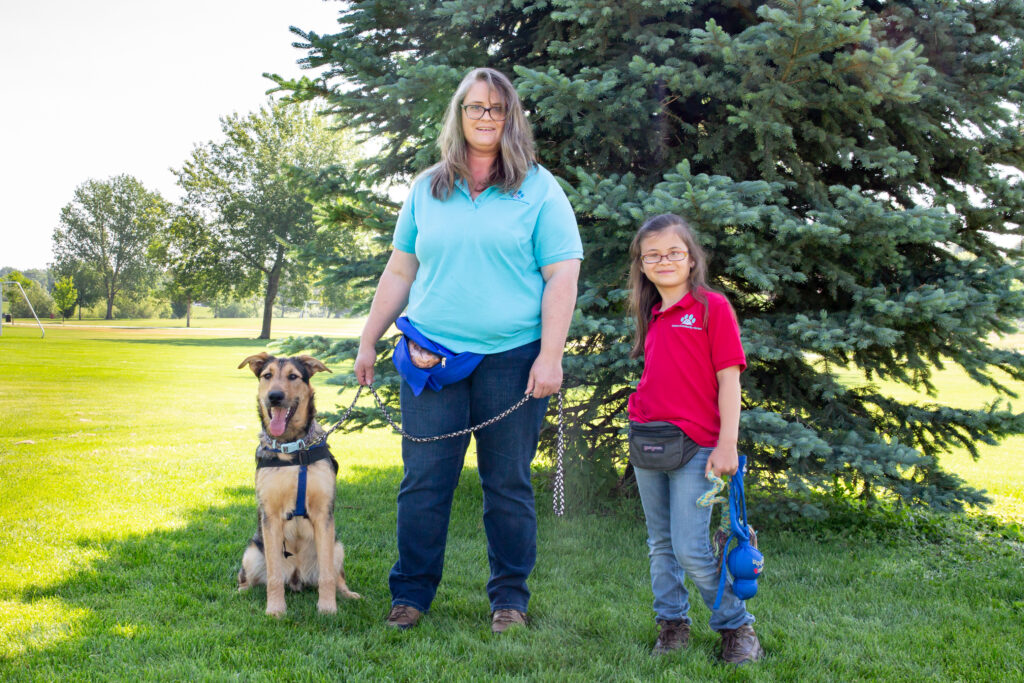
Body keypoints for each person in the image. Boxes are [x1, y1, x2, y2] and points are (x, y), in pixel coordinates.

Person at [353, 67, 583, 634]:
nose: (486, 117)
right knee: (424, 481)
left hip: (513, 360)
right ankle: (410, 596)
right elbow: (401, 268)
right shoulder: (428, 186)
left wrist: (549, 356)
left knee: (507, 484)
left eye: (497, 109)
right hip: (431, 357)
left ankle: (510, 601)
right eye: (475, 107)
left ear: (511, 119)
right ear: (459, 115)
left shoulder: (539, 188)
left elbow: (562, 275)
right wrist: (369, 338)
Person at [626, 213, 765, 663]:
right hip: (649, 438)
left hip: (699, 445)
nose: (663, 261)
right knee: (660, 542)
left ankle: (737, 627)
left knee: (690, 546)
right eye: (653, 255)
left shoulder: (711, 308)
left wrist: (727, 444)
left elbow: (729, 380)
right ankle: (672, 625)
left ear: (691, 259)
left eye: (674, 253)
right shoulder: (651, 312)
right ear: (642, 264)